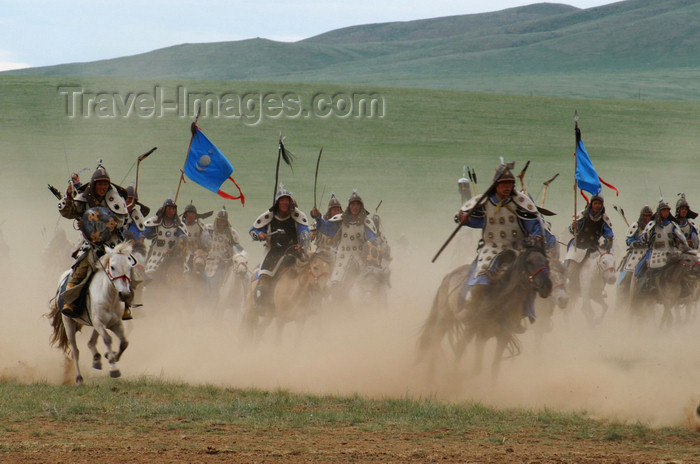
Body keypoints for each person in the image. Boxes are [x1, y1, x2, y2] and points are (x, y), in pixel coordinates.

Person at [456, 162, 544, 330]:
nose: (507, 187)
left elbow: (532, 223)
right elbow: (477, 220)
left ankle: (520, 314)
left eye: (510, 184)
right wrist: (466, 219)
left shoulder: (521, 203)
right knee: (481, 274)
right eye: (503, 184)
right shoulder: (485, 202)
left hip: (517, 249)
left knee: (530, 278)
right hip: (491, 248)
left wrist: (536, 237)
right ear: (496, 185)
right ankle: (472, 309)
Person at [57, 164, 131, 319]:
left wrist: (93, 223)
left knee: (131, 270)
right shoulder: (84, 198)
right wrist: (69, 196)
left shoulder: (115, 199)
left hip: (113, 245)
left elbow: (120, 220)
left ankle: (127, 305)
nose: (103, 187)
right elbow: (69, 212)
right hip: (91, 245)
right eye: (100, 184)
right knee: (80, 270)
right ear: (94, 184)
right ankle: (70, 301)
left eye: (105, 184)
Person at [249, 187, 310, 308]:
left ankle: (312, 303)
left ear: (290, 202)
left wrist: (302, 246)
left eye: (287, 200)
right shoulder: (269, 216)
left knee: (311, 273)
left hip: (294, 251)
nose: (284, 203)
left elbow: (305, 232)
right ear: (277, 202)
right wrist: (259, 234)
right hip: (273, 251)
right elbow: (253, 230)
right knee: (265, 275)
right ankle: (261, 302)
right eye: (282, 200)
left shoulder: (297, 216)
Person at [310, 190, 379, 287]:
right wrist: (318, 217)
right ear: (349, 206)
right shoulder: (340, 221)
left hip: (360, 259)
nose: (355, 207)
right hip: (342, 260)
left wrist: (368, 247)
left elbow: (372, 240)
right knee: (335, 285)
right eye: (353, 204)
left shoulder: (366, 223)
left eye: (357, 204)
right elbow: (325, 227)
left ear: (361, 206)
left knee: (366, 285)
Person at [564, 194, 614, 295]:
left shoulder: (604, 219)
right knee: (572, 269)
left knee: (604, 266)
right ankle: (570, 287)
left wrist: (608, 239)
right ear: (591, 204)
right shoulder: (582, 215)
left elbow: (608, 232)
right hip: (578, 247)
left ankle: (600, 289)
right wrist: (573, 226)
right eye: (595, 203)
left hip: (593, 247)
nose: (597, 206)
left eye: (599, 204)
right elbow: (572, 229)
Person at [634, 200, 688, 289]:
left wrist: (682, 242)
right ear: (659, 212)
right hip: (655, 251)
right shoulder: (652, 225)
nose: (666, 213)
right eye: (664, 210)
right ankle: (650, 285)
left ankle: (684, 286)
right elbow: (642, 238)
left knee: (683, 264)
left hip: (671, 250)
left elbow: (680, 235)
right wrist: (646, 236)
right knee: (646, 267)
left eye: (667, 211)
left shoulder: (672, 225)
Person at [143, 198, 188, 278]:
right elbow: (143, 234)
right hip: (156, 255)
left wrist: (175, 249)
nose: (172, 211)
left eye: (174, 209)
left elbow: (183, 238)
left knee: (186, 274)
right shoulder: (155, 222)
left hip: (173, 255)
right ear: (164, 209)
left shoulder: (179, 225)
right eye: (169, 208)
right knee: (149, 275)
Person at [617, 205, 653, 298]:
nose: (647, 218)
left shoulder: (654, 227)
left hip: (650, 253)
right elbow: (628, 241)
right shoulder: (636, 226)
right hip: (636, 253)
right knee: (628, 272)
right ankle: (623, 289)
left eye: (649, 216)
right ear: (642, 216)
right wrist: (635, 243)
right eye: (645, 216)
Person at [205, 206, 245, 290]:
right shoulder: (208, 229)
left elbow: (237, 249)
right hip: (210, 261)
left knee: (245, 279)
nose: (221, 223)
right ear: (217, 220)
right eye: (220, 221)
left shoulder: (232, 233)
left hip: (226, 262)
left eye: (223, 221)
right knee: (212, 282)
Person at [181, 202, 212, 271]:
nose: (190, 215)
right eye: (188, 213)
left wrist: (203, 249)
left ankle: (205, 281)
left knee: (200, 267)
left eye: (192, 213)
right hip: (182, 252)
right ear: (185, 215)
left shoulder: (200, 226)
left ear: (195, 215)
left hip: (197, 254)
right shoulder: (180, 226)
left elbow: (207, 242)